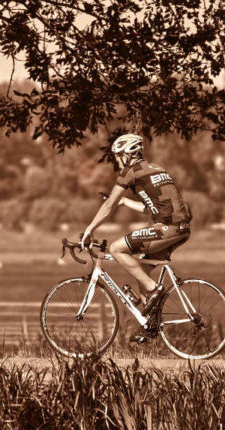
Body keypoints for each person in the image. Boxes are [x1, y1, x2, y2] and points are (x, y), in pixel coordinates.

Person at [81, 133, 192, 343]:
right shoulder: (156, 169)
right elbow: (151, 207)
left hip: (167, 228)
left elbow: (108, 206)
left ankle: (154, 289)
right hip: (182, 228)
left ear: (126, 154)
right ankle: (150, 325)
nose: (116, 160)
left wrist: (89, 229)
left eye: (117, 156)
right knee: (142, 270)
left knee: (116, 249)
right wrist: (125, 203)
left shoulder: (131, 171)